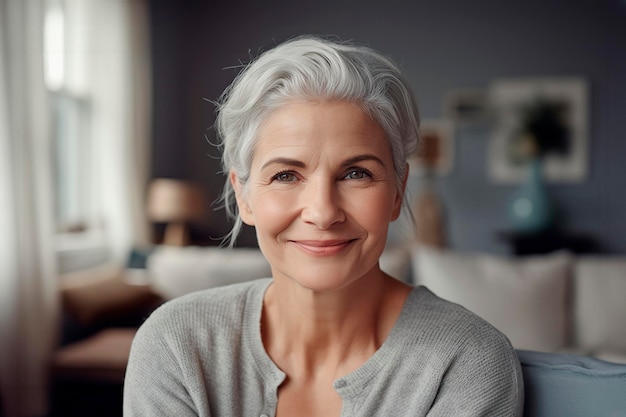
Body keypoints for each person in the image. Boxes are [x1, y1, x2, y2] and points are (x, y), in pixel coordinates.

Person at [124, 35, 524, 416]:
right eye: (285, 175)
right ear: (244, 196)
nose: (322, 212)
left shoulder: (468, 361)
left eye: (356, 173)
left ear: (398, 192)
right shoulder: (175, 344)